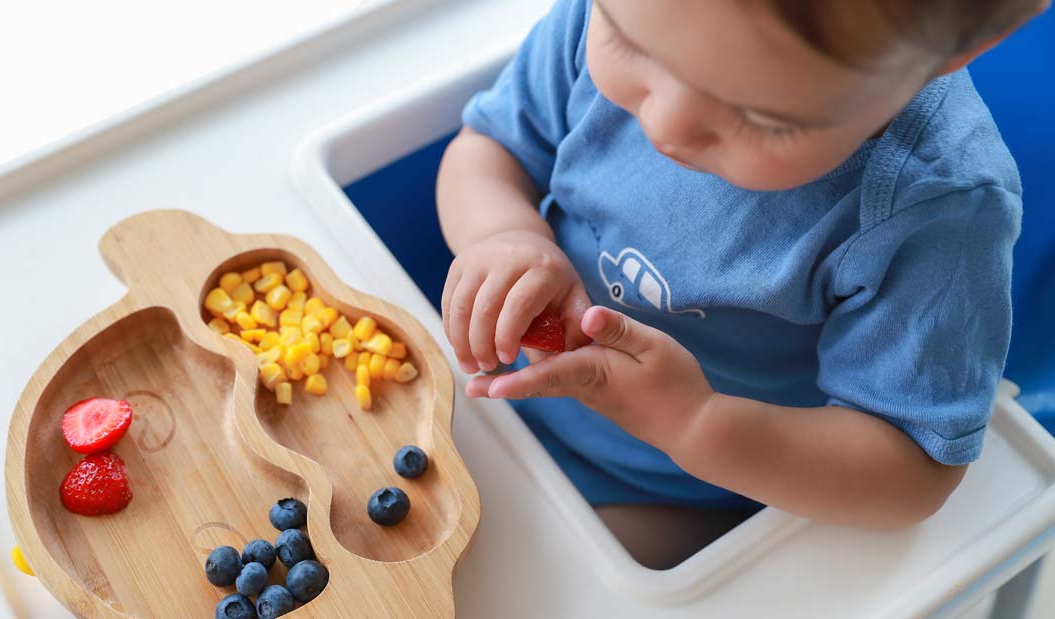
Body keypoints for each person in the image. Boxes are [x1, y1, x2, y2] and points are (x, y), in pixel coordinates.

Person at [435, 0, 1049, 569]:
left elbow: (913, 472)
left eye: (760, 118)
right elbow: (490, 148)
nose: (666, 125)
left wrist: (696, 423)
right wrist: (505, 234)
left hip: (670, 491)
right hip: (480, 396)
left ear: (947, 56)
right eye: (629, 44)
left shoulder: (935, 211)